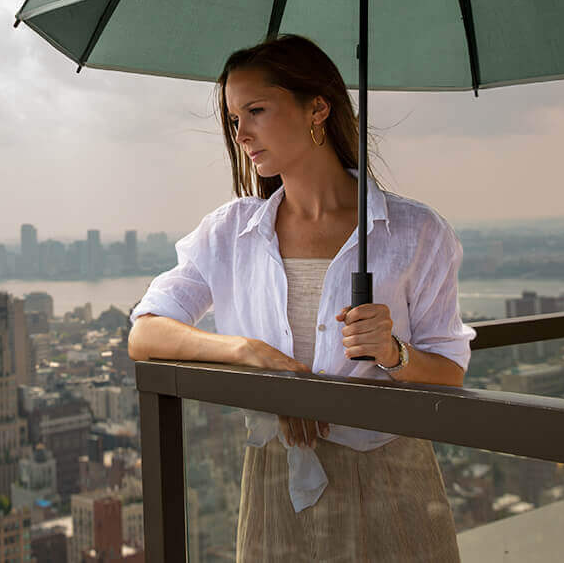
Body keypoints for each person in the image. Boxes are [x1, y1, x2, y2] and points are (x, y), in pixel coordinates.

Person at [128, 34, 476, 562]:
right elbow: (146, 331)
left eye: (256, 111)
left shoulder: (415, 231)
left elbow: (449, 371)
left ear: (317, 107)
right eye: (233, 119)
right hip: (275, 483)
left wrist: (392, 351)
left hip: (391, 483)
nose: (240, 133)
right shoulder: (230, 232)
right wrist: (254, 356)